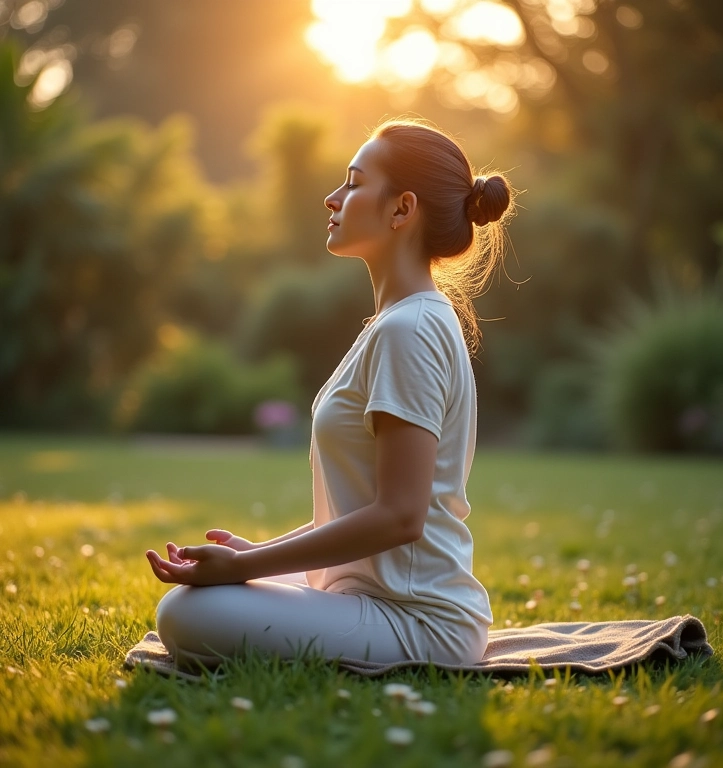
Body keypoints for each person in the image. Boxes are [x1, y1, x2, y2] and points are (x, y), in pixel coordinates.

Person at [146, 118, 516, 668]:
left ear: (400, 209)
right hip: (367, 593)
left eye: (352, 182)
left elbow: (400, 516)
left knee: (185, 613)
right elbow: (366, 506)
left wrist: (248, 569)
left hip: (417, 620)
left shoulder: (408, 329)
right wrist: (258, 555)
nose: (332, 197)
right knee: (203, 592)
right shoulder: (399, 322)